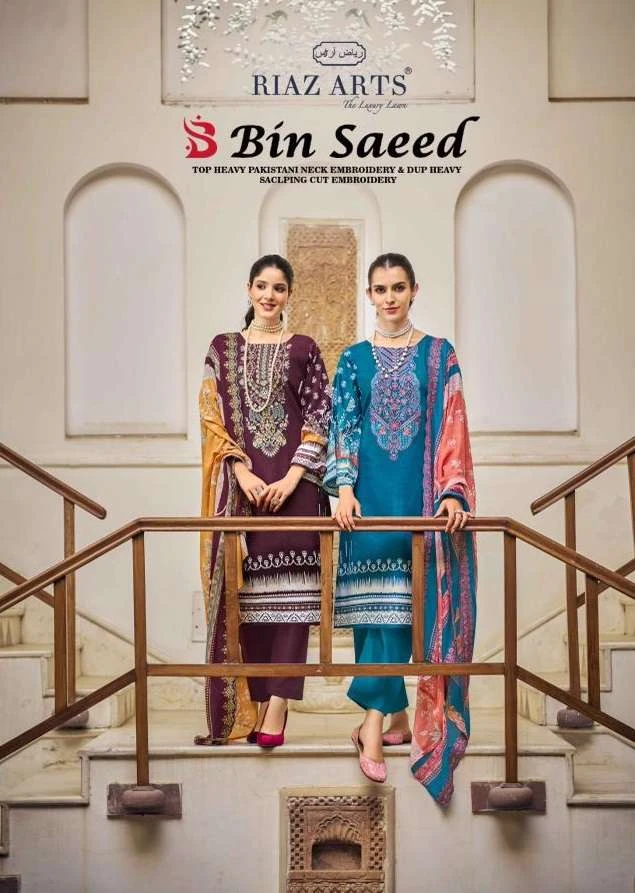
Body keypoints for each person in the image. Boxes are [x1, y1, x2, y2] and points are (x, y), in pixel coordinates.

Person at [324, 252, 477, 805]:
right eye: (381, 289)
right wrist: (343, 488)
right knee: (377, 616)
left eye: (398, 287)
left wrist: (452, 490)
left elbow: (454, 423)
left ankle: (374, 724)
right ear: (369, 295)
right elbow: (343, 424)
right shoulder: (353, 359)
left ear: (414, 290)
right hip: (367, 506)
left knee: (405, 612)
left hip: (420, 507)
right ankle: (389, 720)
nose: (389, 297)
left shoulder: (439, 354)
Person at [196, 254, 331, 748]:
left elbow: (321, 415)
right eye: (261, 286)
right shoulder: (222, 349)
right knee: (247, 599)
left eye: (278, 288)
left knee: (293, 599)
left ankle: (277, 706)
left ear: (289, 294)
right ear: (249, 289)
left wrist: (294, 476)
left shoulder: (305, 348)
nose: (269, 295)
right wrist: (239, 470)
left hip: (297, 489)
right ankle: (252, 706)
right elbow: (211, 415)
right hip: (243, 492)